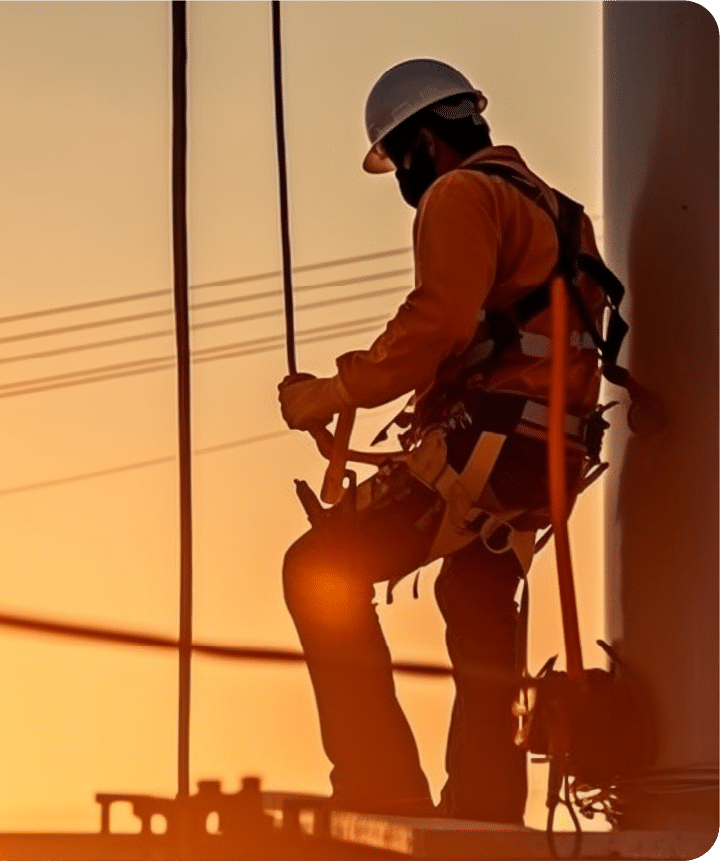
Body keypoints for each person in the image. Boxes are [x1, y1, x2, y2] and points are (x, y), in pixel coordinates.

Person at [276, 58, 608, 824]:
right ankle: (486, 810)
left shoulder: (460, 194)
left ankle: (378, 780)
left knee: (317, 568)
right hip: (540, 457)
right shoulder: (560, 212)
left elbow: (438, 322)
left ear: (424, 140)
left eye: (397, 159)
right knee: (477, 594)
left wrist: (332, 391)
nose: (401, 178)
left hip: (484, 446)